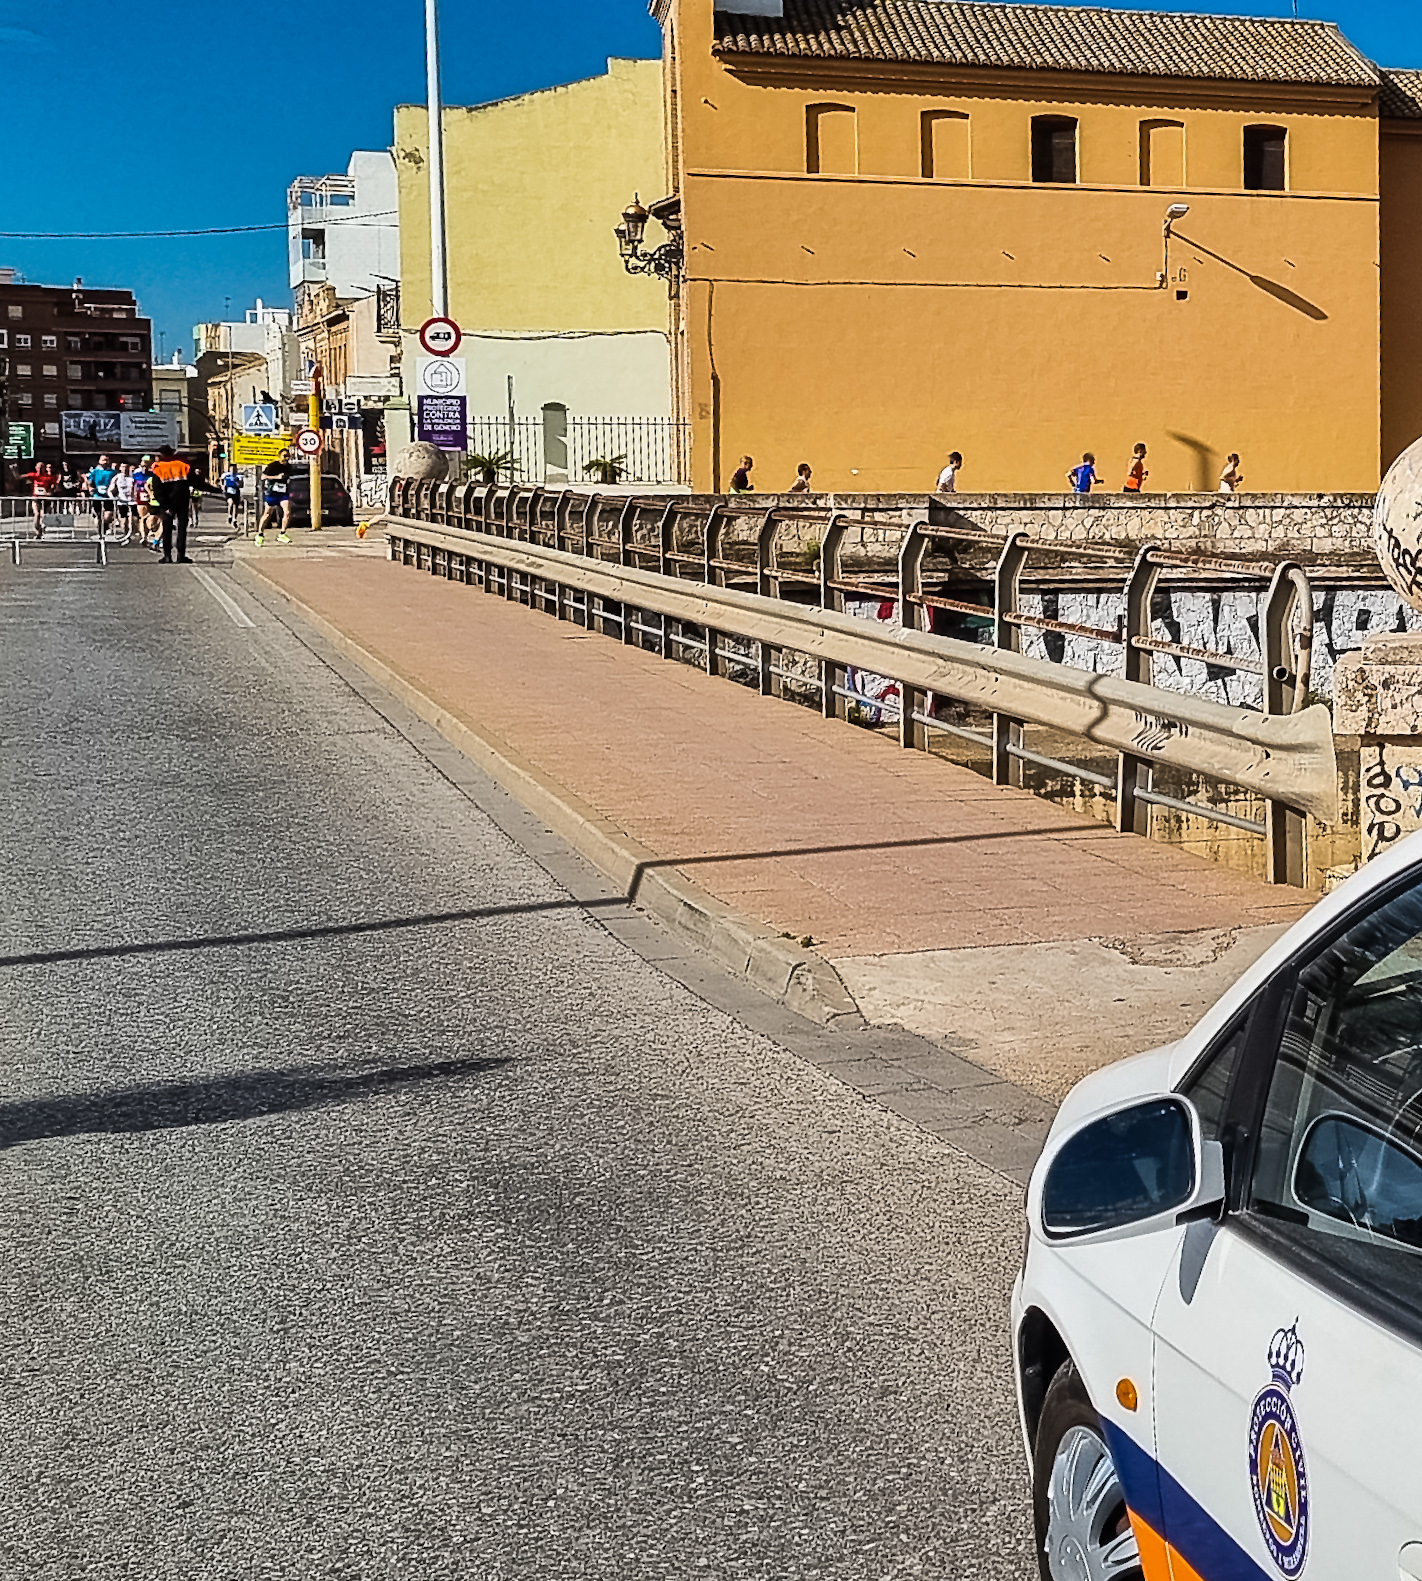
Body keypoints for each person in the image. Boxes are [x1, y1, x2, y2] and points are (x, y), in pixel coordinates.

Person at [148, 446, 218, 563]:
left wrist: (165, 506)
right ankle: (181, 555)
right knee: (182, 529)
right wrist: (216, 490)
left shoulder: (158, 468)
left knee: (167, 529)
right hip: (182, 501)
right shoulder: (183, 466)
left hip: (167, 503)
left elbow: (157, 490)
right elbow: (198, 483)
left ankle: (167, 556)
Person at [256, 450, 294, 545]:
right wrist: (276, 477)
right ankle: (260, 534)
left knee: (287, 512)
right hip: (272, 492)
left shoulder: (289, 467)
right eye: (284, 456)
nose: (286, 458)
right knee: (267, 514)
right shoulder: (272, 466)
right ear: (279, 456)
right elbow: (263, 477)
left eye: (288, 456)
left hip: (283, 492)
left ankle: (282, 533)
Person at [23, 462, 58, 538]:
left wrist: (51, 492)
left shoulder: (49, 477)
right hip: (36, 497)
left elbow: (55, 486)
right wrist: (14, 471)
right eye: (38, 467)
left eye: (41, 467)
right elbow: (19, 477)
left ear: (44, 468)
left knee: (43, 515)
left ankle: (41, 530)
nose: (39, 469)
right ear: (36, 468)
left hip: (45, 498)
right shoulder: (34, 475)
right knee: (37, 514)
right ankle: (37, 530)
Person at [86, 455, 117, 539]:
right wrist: (90, 488)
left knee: (108, 515)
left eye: (107, 460)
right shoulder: (95, 471)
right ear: (99, 461)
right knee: (99, 516)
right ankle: (100, 532)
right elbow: (89, 482)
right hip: (97, 496)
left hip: (108, 496)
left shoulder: (113, 472)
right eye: (103, 460)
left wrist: (113, 490)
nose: (105, 462)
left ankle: (105, 527)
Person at [108, 463, 137, 543]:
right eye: (123, 467)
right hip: (121, 501)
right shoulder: (117, 477)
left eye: (126, 467)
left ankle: (131, 534)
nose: (125, 469)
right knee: (123, 520)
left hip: (132, 501)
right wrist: (113, 498)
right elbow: (110, 490)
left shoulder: (133, 477)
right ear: (120, 468)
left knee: (133, 519)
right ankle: (125, 534)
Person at [221, 463, 244, 529]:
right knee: (230, 503)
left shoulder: (239, 476)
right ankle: (229, 515)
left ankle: (234, 519)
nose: (233, 470)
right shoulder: (226, 475)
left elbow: (242, 485)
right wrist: (222, 486)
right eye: (231, 468)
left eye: (234, 468)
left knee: (235, 506)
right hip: (228, 491)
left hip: (236, 491)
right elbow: (221, 480)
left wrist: (239, 483)